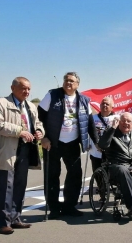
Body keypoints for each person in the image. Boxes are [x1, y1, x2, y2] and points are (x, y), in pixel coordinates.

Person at [38, 72, 97, 219]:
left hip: (72, 143)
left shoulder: (84, 100)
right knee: (52, 176)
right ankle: (53, 208)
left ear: (78, 84)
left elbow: (90, 123)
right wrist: (43, 137)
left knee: (75, 175)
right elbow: (38, 117)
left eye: (71, 81)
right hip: (52, 143)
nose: (67, 83)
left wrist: (98, 143)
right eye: (66, 80)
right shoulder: (52, 95)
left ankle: (69, 206)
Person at [0, 77, 44, 234]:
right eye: (23, 88)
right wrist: (19, 132)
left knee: (20, 185)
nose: (26, 92)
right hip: (6, 152)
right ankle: (3, 222)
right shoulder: (0, 104)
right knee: (5, 187)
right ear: (12, 88)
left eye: (28, 89)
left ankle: (15, 218)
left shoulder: (31, 106)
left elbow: (38, 123)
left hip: (25, 151)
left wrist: (40, 131)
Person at [89, 96, 118, 172]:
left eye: (107, 104)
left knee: (110, 176)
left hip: (111, 153)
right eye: (103, 103)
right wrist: (86, 144)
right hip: (95, 152)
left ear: (112, 107)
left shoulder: (118, 118)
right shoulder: (92, 118)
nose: (104, 105)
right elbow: (87, 132)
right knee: (97, 174)